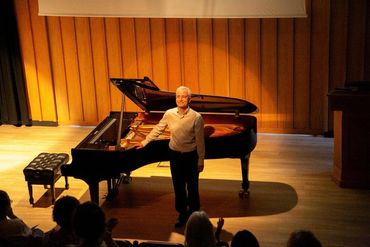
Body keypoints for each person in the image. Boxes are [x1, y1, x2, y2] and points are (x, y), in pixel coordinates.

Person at [136, 86, 205, 227]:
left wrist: (201, 160)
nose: (180, 99)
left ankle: (195, 216)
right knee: (178, 187)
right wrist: (145, 141)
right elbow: (158, 129)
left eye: (184, 96)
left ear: (189, 99)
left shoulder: (196, 117)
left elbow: (200, 141)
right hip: (174, 155)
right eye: (178, 96)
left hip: (190, 156)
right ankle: (182, 214)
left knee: (192, 187)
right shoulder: (169, 114)